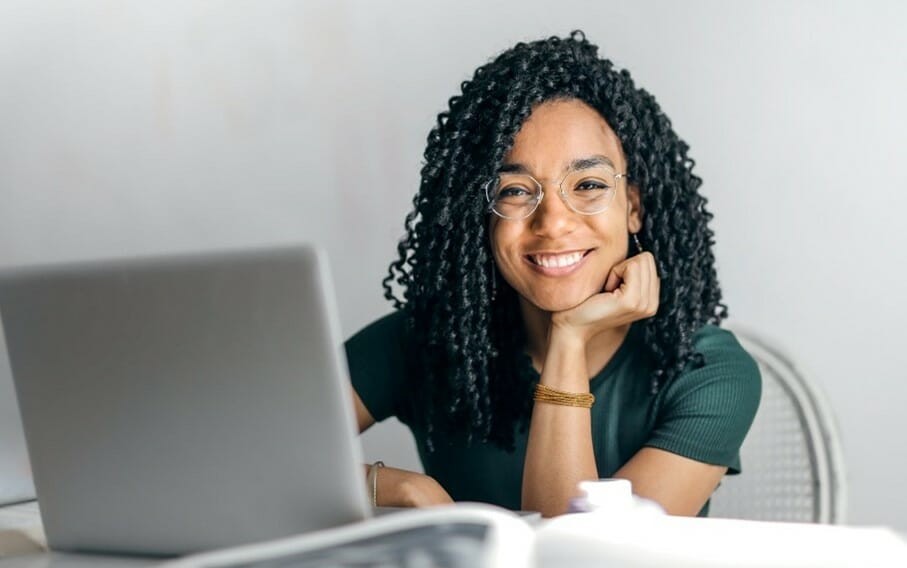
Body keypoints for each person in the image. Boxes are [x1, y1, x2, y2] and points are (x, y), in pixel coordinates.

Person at [345, 30, 761, 518]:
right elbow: (246, 457)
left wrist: (569, 338)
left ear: (634, 206)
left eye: (587, 184)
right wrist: (401, 489)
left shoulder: (707, 372)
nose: (554, 222)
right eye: (515, 191)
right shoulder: (424, 340)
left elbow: (578, 555)